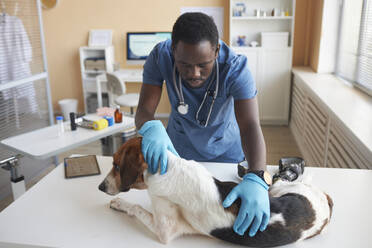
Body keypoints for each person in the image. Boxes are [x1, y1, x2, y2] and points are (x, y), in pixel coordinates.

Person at [135, 12, 269, 237]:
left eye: (203, 65)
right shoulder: (160, 56)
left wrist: (257, 175)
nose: (194, 73)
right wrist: (151, 127)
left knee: (219, 217)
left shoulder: (236, 68)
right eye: (184, 64)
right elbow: (144, 110)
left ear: (216, 51)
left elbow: (250, 125)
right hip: (179, 152)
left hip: (225, 152)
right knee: (183, 222)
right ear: (173, 52)